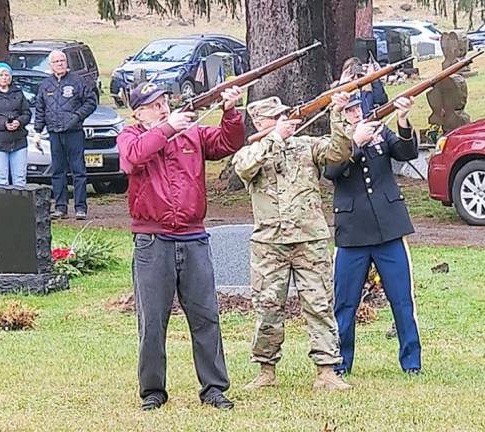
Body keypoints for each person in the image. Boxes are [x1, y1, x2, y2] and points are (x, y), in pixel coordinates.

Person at [116, 81, 245, 411]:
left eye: (164, 101)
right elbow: (132, 158)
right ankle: (152, 391)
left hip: (193, 237)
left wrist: (230, 111)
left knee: (206, 317)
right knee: (152, 323)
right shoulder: (131, 136)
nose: (162, 107)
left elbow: (229, 143)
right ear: (139, 112)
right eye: (154, 104)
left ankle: (214, 388)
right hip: (152, 241)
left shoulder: (193, 133)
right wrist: (166, 130)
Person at [232, 94, 359, 391]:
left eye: (283, 116)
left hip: (309, 240)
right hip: (270, 243)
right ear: (259, 122)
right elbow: (245, 168)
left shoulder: (306, 145)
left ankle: (327, 370)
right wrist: (275, 137)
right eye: (274, 118)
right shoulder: (251, 151)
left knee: (319, 305)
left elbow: (339, 153)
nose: (283, 121)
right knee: (267, 307)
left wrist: (337, 114)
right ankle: (266, 370)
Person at [324, 93, 422, 376]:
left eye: (358, 107)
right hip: (353, 231)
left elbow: (406, 153)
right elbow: (331, 170)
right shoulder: (336, 140)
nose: (355, 113)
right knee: (345, 302)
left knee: (402, 299)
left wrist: (402, 118)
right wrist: (355, 144)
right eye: (349, 109)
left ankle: (411, 362)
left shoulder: (381, 130)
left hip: (388, 227)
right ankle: (341, 363)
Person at [34, 50, 97, 220]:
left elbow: (91, 102)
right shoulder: (46, 85)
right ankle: (61, 207)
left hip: (74, 132)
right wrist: (38, 131)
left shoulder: (77, 81)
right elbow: (40, 108)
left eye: (62, 60)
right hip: (54, 132)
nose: (60, 64)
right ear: (51, 65)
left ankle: (80, 207)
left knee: (78, 171)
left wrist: (77, 116)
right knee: (58, 171)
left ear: (67, 62)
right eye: (56, 61)